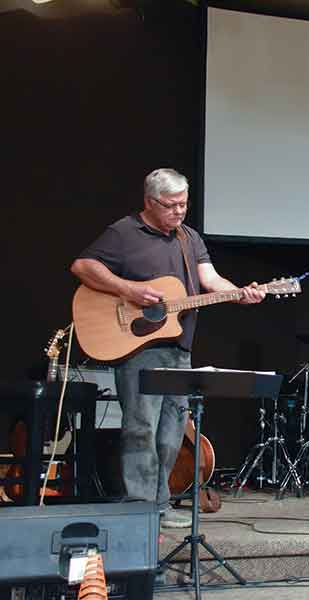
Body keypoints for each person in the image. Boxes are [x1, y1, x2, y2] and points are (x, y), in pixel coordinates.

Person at [70, 168, 265, 528]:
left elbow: (210, 279)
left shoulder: (189, 238)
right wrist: (127, 289)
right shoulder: (124, 232)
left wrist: (239, 293)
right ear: (149, 201)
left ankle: (160, 504)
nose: (179, 211)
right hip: (138, 348)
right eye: (171, 205)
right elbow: (82, 266)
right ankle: (139, 507)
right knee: (140, 426)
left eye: (184, 204)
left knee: (173, 431)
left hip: (179, 347)